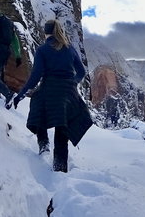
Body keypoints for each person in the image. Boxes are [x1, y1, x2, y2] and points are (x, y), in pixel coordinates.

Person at [12, 19, 92, 172]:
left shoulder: (43, 50)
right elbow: (81, 72)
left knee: (37, 106)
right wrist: (73, 82)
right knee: (63, 126)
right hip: (69, 93)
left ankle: (43, 143)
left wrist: (21, 94)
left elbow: (35, 77)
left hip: (49, 89)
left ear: (45, 32)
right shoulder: (70, 49)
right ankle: (60, 167)